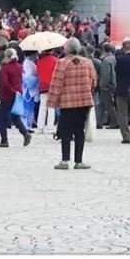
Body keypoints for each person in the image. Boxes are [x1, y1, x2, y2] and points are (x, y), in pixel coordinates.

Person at [46, 37, 98, 169]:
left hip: (67, 102)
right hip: (84, 102)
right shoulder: (88, 62)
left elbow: (56, 84)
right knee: (80, 131)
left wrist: (52, 102)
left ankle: (64, 160)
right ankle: (79, 161)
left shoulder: (62, 63)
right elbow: (94, 81)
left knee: (66, 132)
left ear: (66, 49)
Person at [0, 48, 32, 148]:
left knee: (2, 118)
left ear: (7, 57)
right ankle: (25, 132)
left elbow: (4, 82)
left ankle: (4, 140)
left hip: (7, 95)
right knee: (15, 116)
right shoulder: (19, 66)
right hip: (17, 94)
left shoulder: (5, 68)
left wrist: (1, 68)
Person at [35, 48, 59, 134]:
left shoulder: (39, 61)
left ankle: (40, 127)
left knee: (42, 107)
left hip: (42, 85)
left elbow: (37, 72)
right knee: (51, 108)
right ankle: (50, 128)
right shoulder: (55, 60)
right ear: (52, 50)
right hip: (52, 85)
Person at [96, 43, 118, 130]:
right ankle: (99, 122)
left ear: (103, 49)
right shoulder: (113, 58)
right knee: (101, 104)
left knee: (109, 105)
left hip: (107, 86)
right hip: (113, 84)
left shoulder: (105, 61)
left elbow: (105, 75)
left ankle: (115, 122)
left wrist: (103, 85)